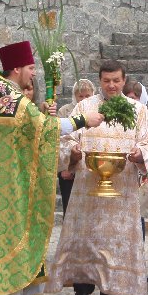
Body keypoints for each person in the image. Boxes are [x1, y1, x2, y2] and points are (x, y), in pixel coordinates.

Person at [0, 41, 103, 295]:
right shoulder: (9, 98)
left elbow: (35, 128)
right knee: (9, 232)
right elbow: (45, 128)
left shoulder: (11, 94)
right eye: (30, 67)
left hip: (17, 173)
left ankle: (27, 291)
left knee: (26, 227)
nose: (35, 72)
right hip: (5, 179)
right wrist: (82, 120)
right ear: (16, 69)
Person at [46, 60, 148, 295]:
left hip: (122, 190)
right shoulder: (85, 107)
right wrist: (73, 153)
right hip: (87, 188)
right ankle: (81, 286)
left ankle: (114, 291)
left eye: (116, 80)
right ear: (100, 81)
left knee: (116, 240)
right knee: (84, 236)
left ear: (124, 80)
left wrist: (139, 154)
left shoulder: (139, 111)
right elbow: (66, 139)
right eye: (107, 81)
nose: (111, 85)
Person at [57, 79, 95, 214]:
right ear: (75, 96)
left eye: (87, 96)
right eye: (81, 96)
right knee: (70, 210)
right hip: (69, 168)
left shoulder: (97, 112)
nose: (84, 99)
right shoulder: (65, 111)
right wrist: (64, 167)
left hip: (91, 169)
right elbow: (60, 139)